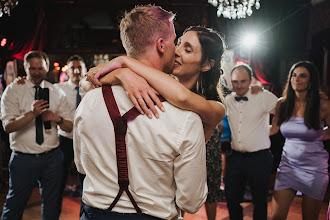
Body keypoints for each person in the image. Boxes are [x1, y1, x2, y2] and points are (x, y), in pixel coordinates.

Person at [75, 6, 221, 220]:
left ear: (207, 64)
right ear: (162, 45)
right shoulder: (185, 119)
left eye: (187, 48)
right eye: (176, 42)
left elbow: (81, 165)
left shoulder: (90, 100)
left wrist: (124, 66)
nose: (177, 51)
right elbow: (190, 201)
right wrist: (123, 73)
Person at [0, 50, 73, 219]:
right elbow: (8, 127)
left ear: (47, 67)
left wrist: (57, 118)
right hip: (23, 159)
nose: (37, 72)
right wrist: (32, 114)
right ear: (25, 67)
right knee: (15, 205)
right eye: (32, 68)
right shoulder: (13, 90)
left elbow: (69, 127)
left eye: (40, 68)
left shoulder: (56, 92)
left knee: (52, 205)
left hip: (52, 158)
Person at [270, 61, 330, 220]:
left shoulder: (323, 105)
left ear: (311, 81)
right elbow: (273, 129)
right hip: (288, 167)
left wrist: (317, 136)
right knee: (276, 217)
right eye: (294, 75)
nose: (297, 79)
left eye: (303, 76)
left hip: (314, 169)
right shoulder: (282, 103)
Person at [224, 63, 278, 220]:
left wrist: (275, 127)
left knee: (259, 200)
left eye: (243, 81)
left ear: (250, 80)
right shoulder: (228, 100)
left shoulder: (262, 96)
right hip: (235, 157)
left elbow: (285, 107)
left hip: (259, 157)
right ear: (230, 81)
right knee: (232, 198)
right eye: (235, 81)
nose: (239, 85)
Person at [53, 55, 86, 217]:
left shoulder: (92, 89)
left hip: (85, 141)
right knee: (58, 182)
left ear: (85, 70)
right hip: (64, 139)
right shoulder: (57, 88)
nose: (76, 70)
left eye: (80, 67)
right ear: (68, 70)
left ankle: (84, 216)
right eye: (73, 67)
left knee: (85, 183)